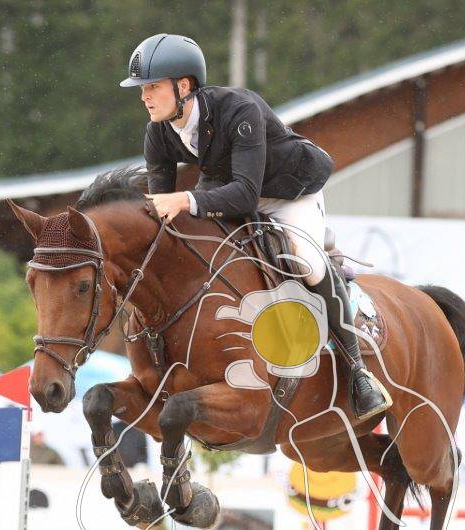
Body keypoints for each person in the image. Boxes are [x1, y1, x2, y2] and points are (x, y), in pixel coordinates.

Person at [121, 33, 391, 420]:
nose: (145, 97)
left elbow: (246, 196)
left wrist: (184, 200)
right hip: (226, 189)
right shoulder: (158, 131)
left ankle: (358, 372)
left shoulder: (239, 109)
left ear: (184, 86)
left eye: (153, 87)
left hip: (287, 191)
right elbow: (160, 211)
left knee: (308, 264)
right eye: (142, 89)